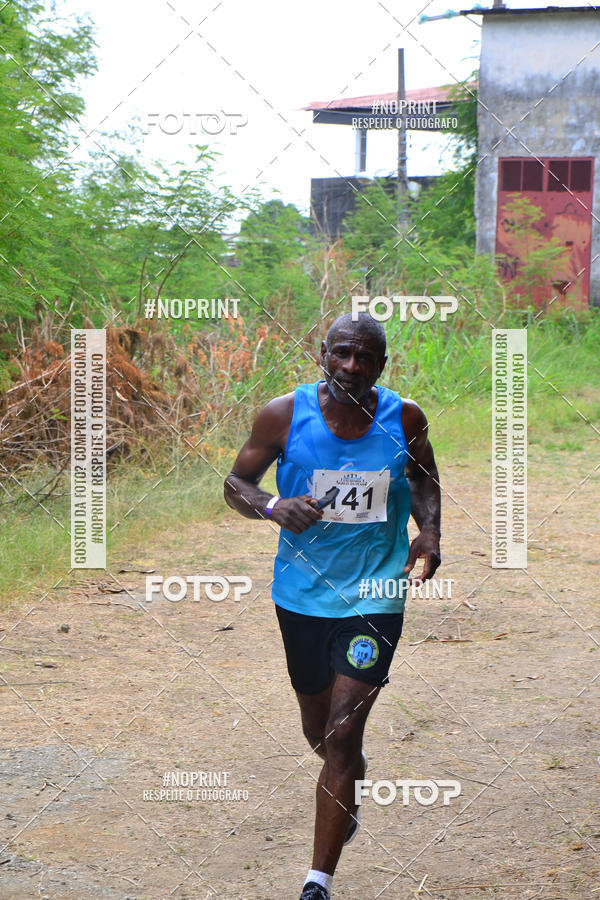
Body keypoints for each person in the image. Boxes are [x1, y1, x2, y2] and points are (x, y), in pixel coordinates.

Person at [224, 312, 441, 899]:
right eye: (341, 353)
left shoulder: (405, 417)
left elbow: (423, 476)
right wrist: (271, 507)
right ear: (323, 353)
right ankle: (348, 774)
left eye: (365, 357)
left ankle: (317, 881)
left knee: (343, 731)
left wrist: (430, 531)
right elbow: (235, 483)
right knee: (319, 728)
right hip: (300, 594)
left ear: (382, 365)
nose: (352, 365)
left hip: (376, 591)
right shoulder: (283, 414)